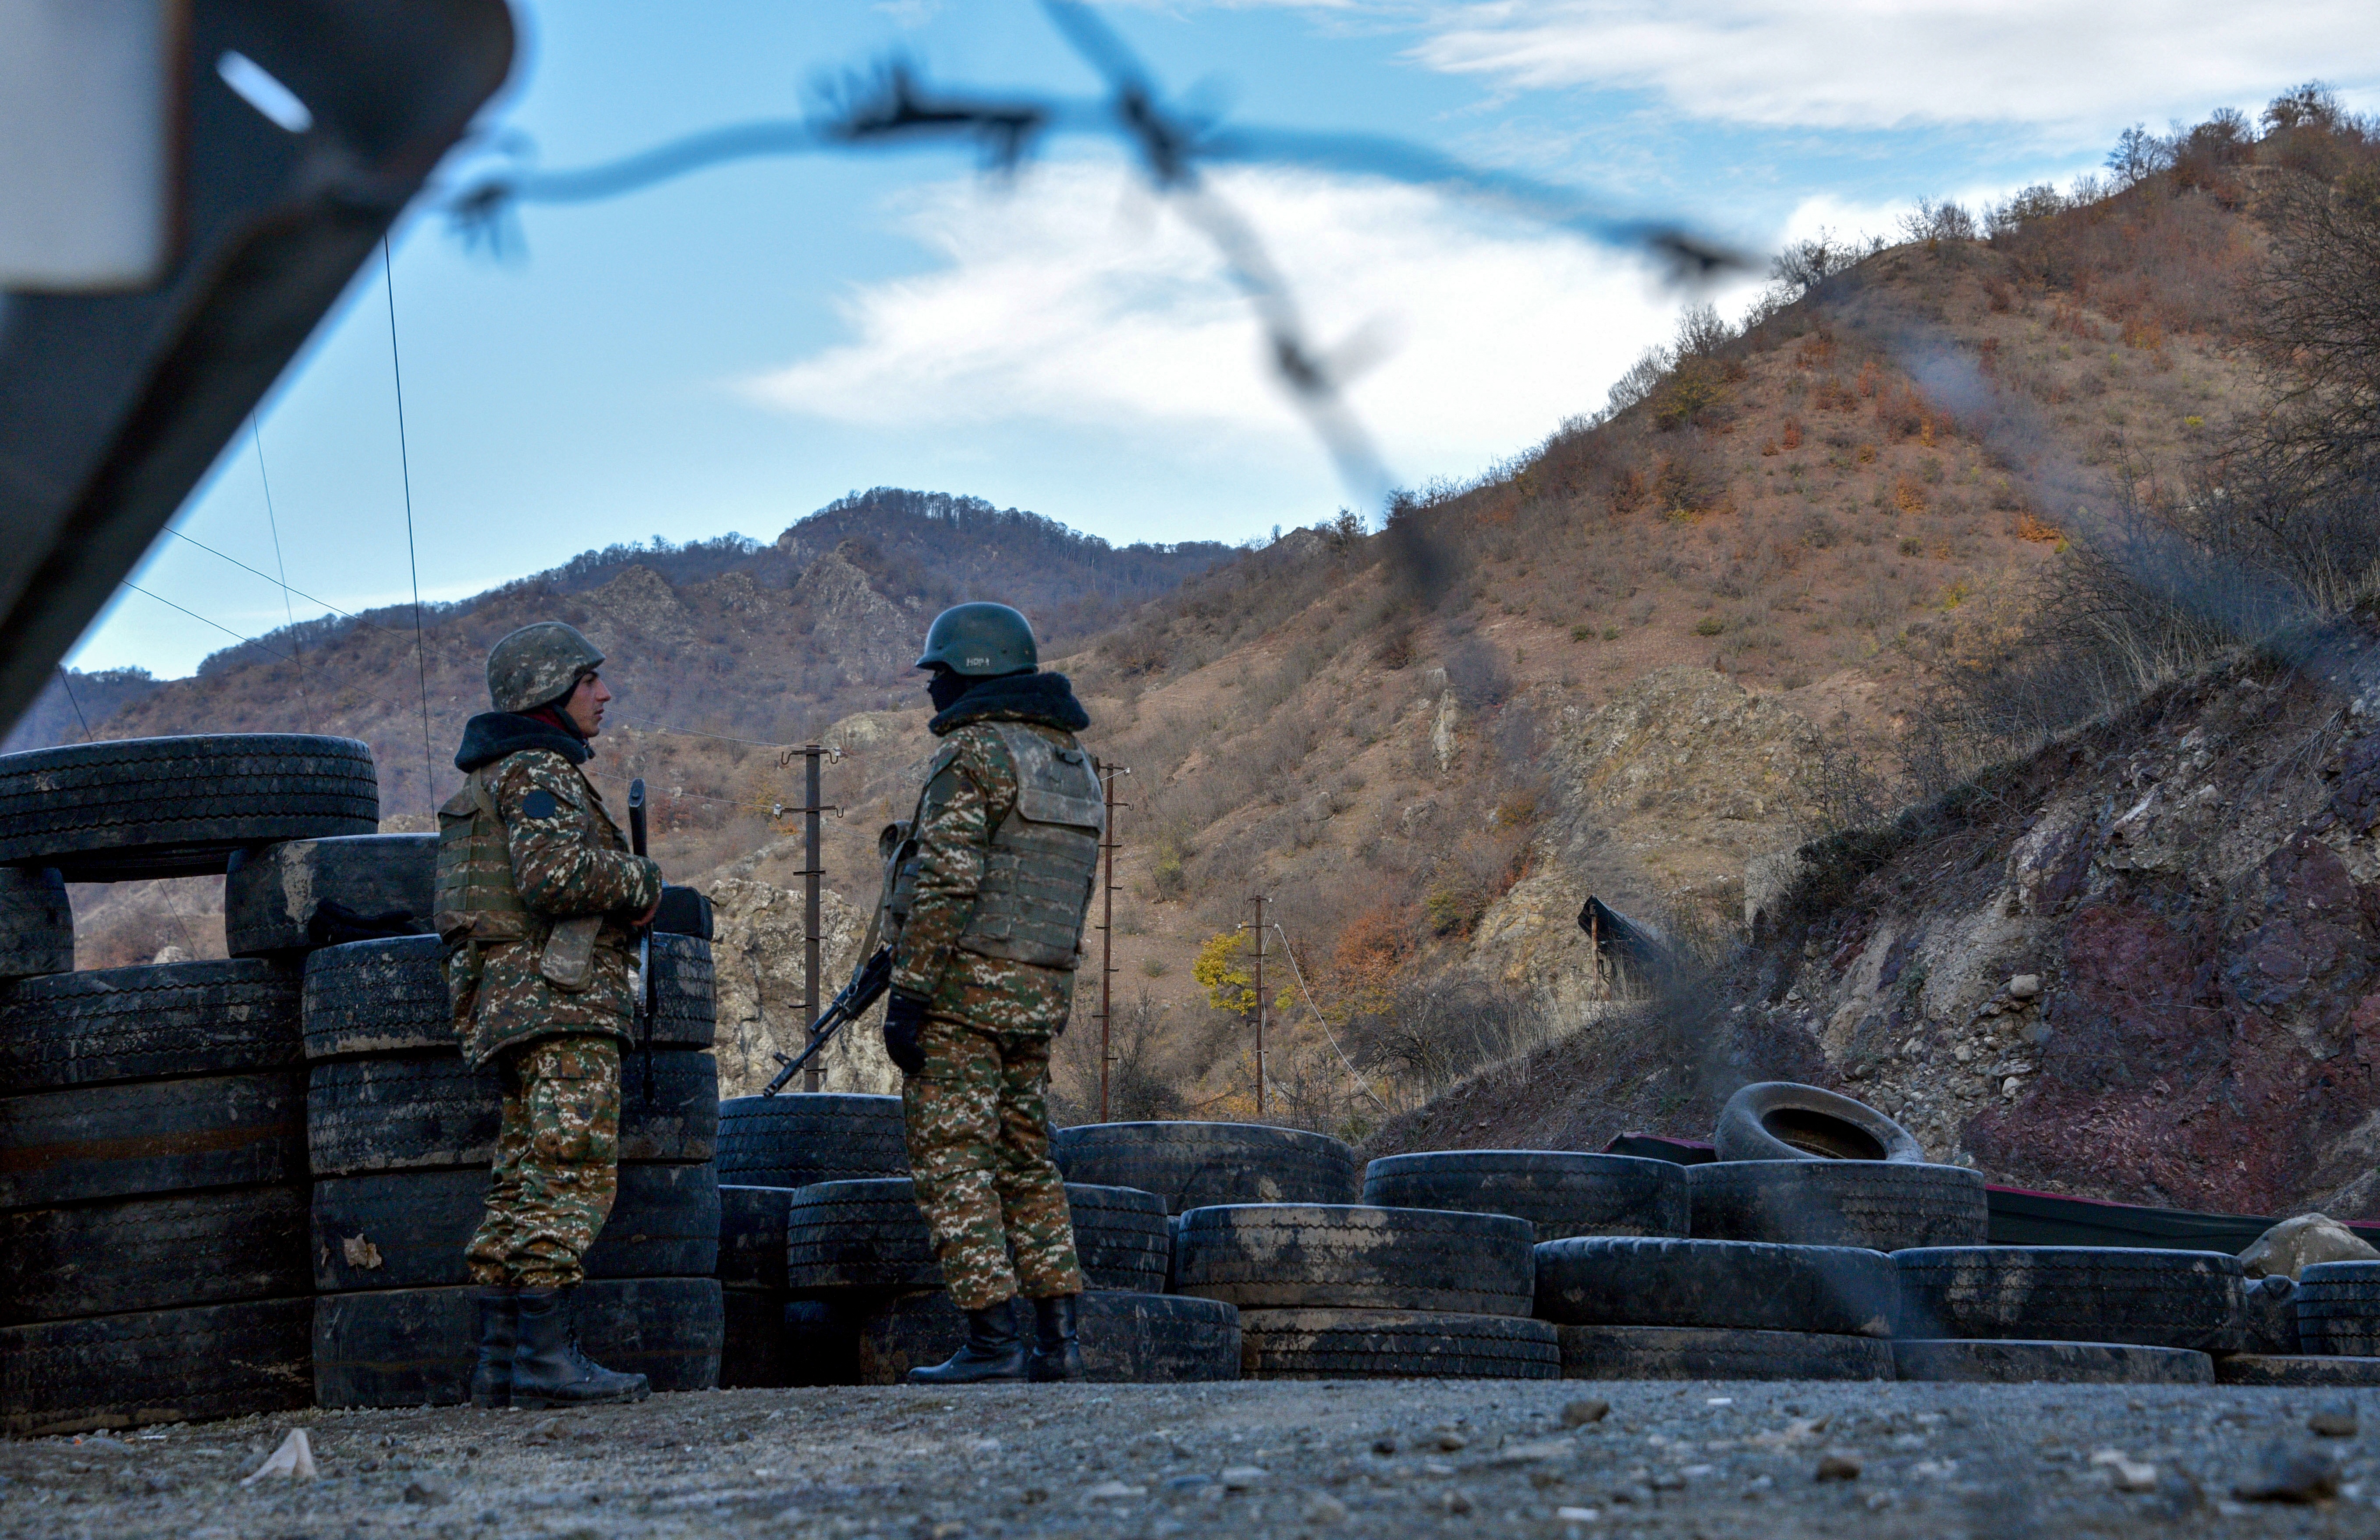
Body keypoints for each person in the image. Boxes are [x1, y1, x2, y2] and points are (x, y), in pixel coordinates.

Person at [435, 621, 663, 1409]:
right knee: (570, 1175)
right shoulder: (538, 768)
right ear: (548, 692)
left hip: (513, 1007)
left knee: (523, 1179)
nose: (605, 693)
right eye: (588, 680)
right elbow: (554, 877)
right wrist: (642, 881)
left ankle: (502, 1362)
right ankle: (544, 1363)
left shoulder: (495, 775)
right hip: (558, 1002)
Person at [882, 602, 1105, 1384]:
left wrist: (909, 993)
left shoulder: (974, 753)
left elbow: (946, 882)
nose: (931, 687)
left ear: (972, 672)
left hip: (962, 997)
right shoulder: (1073, 764)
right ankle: (1059, 1344)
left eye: (938, 671)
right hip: (1036, 999)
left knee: (954, 1161)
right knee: (1029, 1163)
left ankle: (991, 1341)